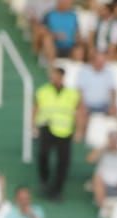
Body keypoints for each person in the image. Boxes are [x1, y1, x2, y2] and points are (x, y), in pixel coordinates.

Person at [33, 64, 78, 200]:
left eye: (58, 76)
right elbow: (36, 108)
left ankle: (57, 189)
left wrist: (79, 129)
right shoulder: (43, 91)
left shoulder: (72, 93)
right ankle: (44, 180)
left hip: (65, 130)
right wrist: (33, 125)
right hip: (47, 126)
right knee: (43, 155)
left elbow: (80, 112)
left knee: (64, 161)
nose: (55, 78)